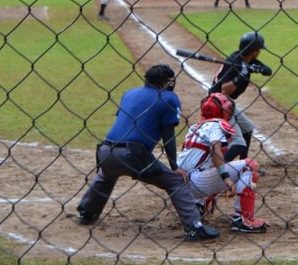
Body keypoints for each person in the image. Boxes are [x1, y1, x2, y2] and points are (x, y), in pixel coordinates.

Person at [76, 64, 220, 241]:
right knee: (175, 181)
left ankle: (86, 212)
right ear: (165, 82)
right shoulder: (168, 98)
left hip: (105, 152)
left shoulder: (129, 93)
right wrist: (175, 167)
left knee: (107, 174)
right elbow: (168, 136)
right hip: (133, 155)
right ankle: (194, 227)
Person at [177, 93, 269, 233]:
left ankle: (197, 207)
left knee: (210, 165)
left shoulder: (195, 127)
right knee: (249, 166)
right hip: (197, 182)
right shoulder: (217, 125)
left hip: (181, 185)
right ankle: (243, 220)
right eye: (228, 109)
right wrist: (226, 179)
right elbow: (216, 151)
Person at [209, 32, 272, 162]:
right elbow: (224, 89)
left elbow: (268, 71)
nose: (260, 52)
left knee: (247, 128)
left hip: (226, 103)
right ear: (254, 51)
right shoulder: (233, 63)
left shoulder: (247, 60)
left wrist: (257, 68)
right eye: (259, 49)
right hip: (218, 103)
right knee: (239, 142)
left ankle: (243, 164)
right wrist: (241, 76)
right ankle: (217, 168)